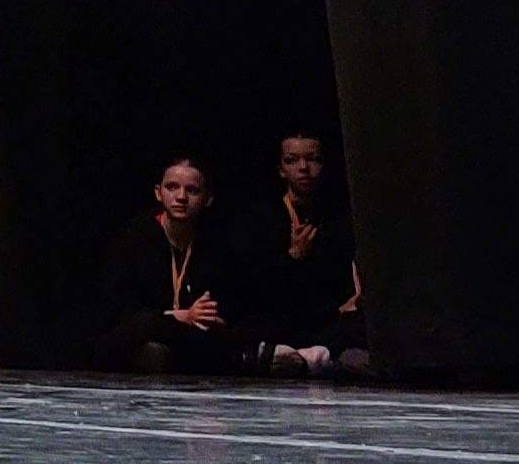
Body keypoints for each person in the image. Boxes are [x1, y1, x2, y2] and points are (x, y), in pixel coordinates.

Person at [92, 157, 262, 376]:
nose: (181, 197)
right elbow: (122, 314)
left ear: (207, 198)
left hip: (191, 338)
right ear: (158, 192)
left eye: (191, 190)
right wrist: (180, 316)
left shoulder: (217, 246)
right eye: (172, 187)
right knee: (149, 347)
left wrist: (210, 318)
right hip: (144, 335)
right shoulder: (134, 240)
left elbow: (231, 306)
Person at [254, 130, 369, 378]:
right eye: (292, 160)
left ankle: (315, 355)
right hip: (280, 315)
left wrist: (354, 299)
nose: (303, 167)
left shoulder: (340, 219)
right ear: (281, 169)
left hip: (327, 320)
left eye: (312, 159)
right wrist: (293, 256)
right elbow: (258, 283)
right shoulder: (264, 218)